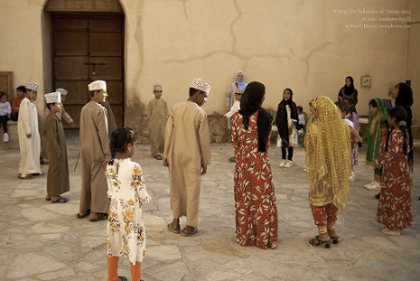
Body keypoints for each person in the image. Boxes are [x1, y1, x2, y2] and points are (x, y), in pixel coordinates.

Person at [231, 81, 278, 249]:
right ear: (258, 97)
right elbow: (266, 143)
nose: (265, 96)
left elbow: (234, 143)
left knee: (244, 202)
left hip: (242, 166)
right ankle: (263, 238)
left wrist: (243, 156)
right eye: (263, 94)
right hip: (260, 166)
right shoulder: (266, 117)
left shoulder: (236, 118)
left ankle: (246, 236)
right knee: (262, 202)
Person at [164, 78, 211, 236]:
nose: (205, 100)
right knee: (192, 190)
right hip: (193, 157)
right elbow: (204, 141)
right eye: (204, 96)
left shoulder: (175, 108)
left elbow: (168, 133)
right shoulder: (200, 113)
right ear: (197, 93)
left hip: (175, 155)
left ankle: (175, 222)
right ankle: (190, 225)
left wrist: (166, 154)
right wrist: (205, 161)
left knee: (176, 187)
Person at [305, 96, 351, 248]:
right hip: (337, 170)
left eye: (314, 108)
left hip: (321, 170)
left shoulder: (315, 128)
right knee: (332, 199)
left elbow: (309, 147)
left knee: (317, 201)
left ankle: (323, 233)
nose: (312, 111)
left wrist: (310, 124)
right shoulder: (343, 127)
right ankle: (332, 230)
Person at [106, 127, 151, 281]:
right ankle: (136, 279)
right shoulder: (135, 167)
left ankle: (112, 277)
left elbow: (110, 191)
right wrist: (146, 199)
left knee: (114, 243)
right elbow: (142, 193)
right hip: (131, 213)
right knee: (134, 244)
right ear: (129, 147)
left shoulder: (110, 164)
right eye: (135, 144)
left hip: (115, 210)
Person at [78, 80, 111, 222]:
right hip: (97, 151)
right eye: (103, 92)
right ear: (96, 93)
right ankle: (95, 212)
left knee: (86, 179)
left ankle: (83, 209)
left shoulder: (84, 108)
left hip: (85, 150)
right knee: (99, 181)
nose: (105, 95)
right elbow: (103, 135)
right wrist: (108, 154)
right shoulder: (100, 110)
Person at [376, 106, 412, 235]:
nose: (388, 119)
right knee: (399, 196)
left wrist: (380, 160)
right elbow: (406, 150)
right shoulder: (405, 131)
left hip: (394, 170)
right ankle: (397, 224)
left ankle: (394, 227)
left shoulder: (396, 133)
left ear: (394, 119)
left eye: (389, 117)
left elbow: (393, 151)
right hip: (402, 168)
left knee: (394, 196)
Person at [44, 92, 69, 203]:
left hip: (56, 149)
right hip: (55, 150)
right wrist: (57, 150)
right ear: (51, 106)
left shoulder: (54, 117)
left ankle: (50, 193)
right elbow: (51, 136)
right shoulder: (51, 118)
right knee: (56, 172)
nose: (60, 106)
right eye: (58, 104)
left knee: (53, 171)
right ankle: (55, 195)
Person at [17, 82, 41, 179]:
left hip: (33, 132)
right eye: (33, 93)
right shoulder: (25, 102)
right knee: (28, 150)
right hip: (27, 132)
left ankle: (32, 169)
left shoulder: (30, 103)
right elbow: (25, 118)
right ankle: (26, 171)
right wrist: (28, 130)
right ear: (27, 92)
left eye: (36, 93)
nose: (35, 95)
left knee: (33, 150)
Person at [336, 101, 363, 182]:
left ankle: (349, 173)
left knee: (346, 158)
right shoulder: (335, 122)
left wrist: (359, 137)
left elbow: (353, 130)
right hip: (337, 144)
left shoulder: (347, 122)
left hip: (345, 144)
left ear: (343, 113)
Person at [364, 99, 388, 190]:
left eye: (372, 107)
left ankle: (378, 182)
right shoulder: (373, 116)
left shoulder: (382, 118)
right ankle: (375, 180)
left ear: (378, 107)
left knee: (378, 162)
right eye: (370, 107)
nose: (371, 109)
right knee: (375, 162)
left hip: (380, 143)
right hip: (374, 143)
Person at [391, 82, 414, 169]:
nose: (393, 91)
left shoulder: (403, 110)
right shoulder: (399, 107)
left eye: (396, 88)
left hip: (401, 141)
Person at [275, 88, 299, 168]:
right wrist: (279, 127)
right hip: (282, 127)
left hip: (290, 126)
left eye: (288, 94)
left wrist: (291, 127)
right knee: (283, 143)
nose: (286, 95)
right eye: (284, 93)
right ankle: (283, 159)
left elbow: (295, 116)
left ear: (291, 95)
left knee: (290, 144)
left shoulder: (293, 104)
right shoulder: (280, 104)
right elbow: (278, 117)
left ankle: (290, 160)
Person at [147, 83, 169, 160]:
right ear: (154, 92)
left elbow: (166, 112)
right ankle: (155, 153)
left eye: (160, 92)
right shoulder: (151, 102)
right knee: (154, 138)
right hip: (154, 123)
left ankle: (161, 152)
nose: (159, 93)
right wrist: (150, 123)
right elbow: (148, 113)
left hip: (162, 123)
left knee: (163, 138)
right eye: (157, 92)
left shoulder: (164, 102)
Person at [224, 88, 243, 163]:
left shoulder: (246, 103)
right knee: (236, 140)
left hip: (243, 125)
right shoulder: (236, 103)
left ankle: (241, 155)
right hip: (236, 124)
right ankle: (236, 155)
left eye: (237, 95)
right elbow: (232, 111)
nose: (236, 97)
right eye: (235, 95)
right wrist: (226, 115)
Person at [374, 120, 390, 200]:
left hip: (386, 162)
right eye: (381, 128)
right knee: (382, 177)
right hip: (381, 161)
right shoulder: (383, 138)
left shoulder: (390, 139)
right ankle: (382, 191)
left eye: (383, 128)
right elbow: (380, 149)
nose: (381, 130)